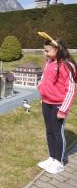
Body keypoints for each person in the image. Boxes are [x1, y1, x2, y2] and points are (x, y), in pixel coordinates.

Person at [37, 32, 76, 174]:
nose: (45, 53)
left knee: (57, 133)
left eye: (47, 51)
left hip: (58, 105)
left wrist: (63, 110)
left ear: (57, 49)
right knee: (49, 131)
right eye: (44, 50)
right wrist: (40, 86)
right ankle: (52, 158)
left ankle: (59, 162)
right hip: (46, 103)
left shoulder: (67, 65)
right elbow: (44, 77)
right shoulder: (49, 62)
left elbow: (71, 90)